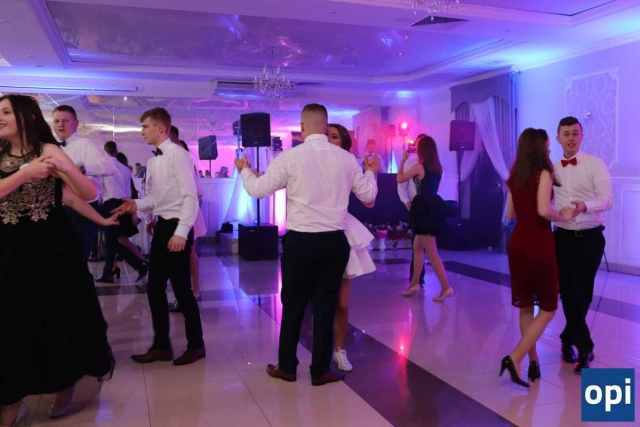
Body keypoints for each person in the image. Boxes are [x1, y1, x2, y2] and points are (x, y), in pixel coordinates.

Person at [235, 104, 378, 386]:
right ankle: (321, 371)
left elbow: (257, 190)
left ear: (302, 127)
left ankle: (287, 367)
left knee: (293, 305)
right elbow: (369, 196)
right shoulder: (346, 159)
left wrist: (245, 170)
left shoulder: (290, 157)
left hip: (300, 242)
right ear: (325, 126)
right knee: (325, 306)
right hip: (334, 241)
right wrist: (371, 172)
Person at [0, 95, 114, 425]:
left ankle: (64, 384)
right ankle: (11, 396)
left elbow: (87, 194)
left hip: (49, 249)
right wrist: (26, 172)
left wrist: (66, 169)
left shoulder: (48, 149)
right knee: (11, 321)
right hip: (8, 246)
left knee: (56, 317)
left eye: (5, 112)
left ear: (26, 117)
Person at [113, 108, 205, 366]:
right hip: (164, 225)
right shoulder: (153, 161)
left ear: (160, 128)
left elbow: (191, 197)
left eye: (145, 126)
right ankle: (161, 346)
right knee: (154, 287)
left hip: (177, 226)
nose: (141, 131)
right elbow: (155, 198)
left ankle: (196, 345)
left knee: (182, 290)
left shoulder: (179, 155)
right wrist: (136, 204)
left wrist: (181, 232)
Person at [501, 128, 578, 389]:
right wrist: (562, 214)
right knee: (548, 307)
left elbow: (510, 215)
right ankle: (514, 357)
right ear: (539, 147)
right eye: (547, 145)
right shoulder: (543, 173)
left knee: (525, 307)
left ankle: (532, 361)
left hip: (518, 243)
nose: (549, 149)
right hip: (539, 243)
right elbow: (544, 210)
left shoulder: (515, 176)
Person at [553, 116, 613, 374]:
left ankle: (567, 338)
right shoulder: (552, 169)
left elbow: (607, 199)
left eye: (575, 133)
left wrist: (585, 206)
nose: (571, 138)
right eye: (566, 133)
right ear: (558, 138)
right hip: (563, 237)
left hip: (591, 237)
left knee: (584, 293)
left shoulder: (595, 164)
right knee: (568, 292)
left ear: (582, 135)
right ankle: (585, 346)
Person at [327, 123, 377, 372]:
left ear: (344, 143)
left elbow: (369, 201)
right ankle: (321, 348)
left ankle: (339, 349)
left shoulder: (348, 164)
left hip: (342, 229)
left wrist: (371, 173)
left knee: (343, 303)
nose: (329, 140)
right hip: (315, 230)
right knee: (320, 300)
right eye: (326, 136)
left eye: (334, 137)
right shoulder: (310, 161)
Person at [52, 105, 115, 260]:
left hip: (83, 211)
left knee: (77, 259)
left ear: (76, 123)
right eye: (57, 121)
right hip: (60, 209)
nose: (60, 124)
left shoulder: (86, 145)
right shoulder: (53, 148)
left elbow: (109, 167)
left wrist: (83, 169)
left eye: (65, 121)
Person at [397, 136, 452, 301]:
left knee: (432, 252)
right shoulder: (437, 168)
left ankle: (446, 287)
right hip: (431, 206)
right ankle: (414, 284)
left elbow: (399, 179)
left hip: (423, 208)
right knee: (417, 247)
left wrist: (402, 160)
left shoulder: (420, 167)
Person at [95, 141, 148, 283]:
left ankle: (139, 264)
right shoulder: (125, 169)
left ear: (105, 151)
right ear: (116, 151)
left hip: (109, 205)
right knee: (112, 241)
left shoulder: (104, 167)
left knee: (111, 241)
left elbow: (99, 189)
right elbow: (129, 193)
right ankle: (109, 272)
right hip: (124, 204)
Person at [166, 133, 206, 313]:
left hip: (187, 212)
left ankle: (192, 289)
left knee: (188, 252)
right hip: (174, 213)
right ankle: (185, 293)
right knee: (180, 255)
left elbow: (199, 191)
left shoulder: (187, 167)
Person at [397, 134, 426, 287]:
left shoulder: (432, 164)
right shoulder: (412, 162)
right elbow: (401, 184)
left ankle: (417, 277)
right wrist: (406, 201)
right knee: (418, 243)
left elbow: (439, 185)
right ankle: (416, 277)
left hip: (427, 207)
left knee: (424, 246)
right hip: (416, 206)